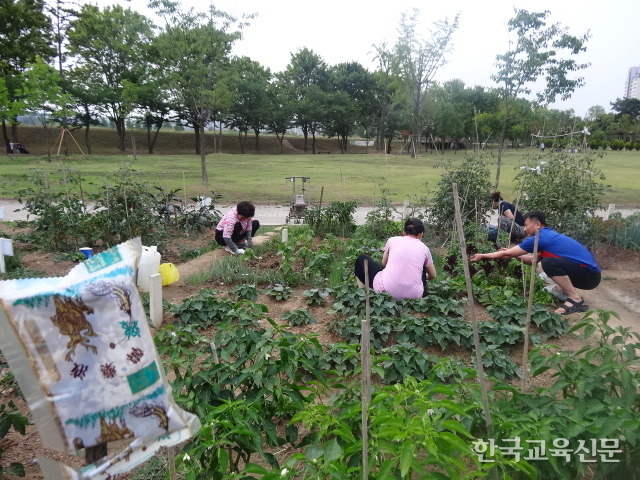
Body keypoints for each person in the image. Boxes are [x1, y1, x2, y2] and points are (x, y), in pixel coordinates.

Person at [470, 210, 601, 315]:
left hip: (588, 276)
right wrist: (516, 256)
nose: (524, 229)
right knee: (547, 264)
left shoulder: (541, 237)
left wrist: (483, 255)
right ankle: (566, 291)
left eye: (526, 225)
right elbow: (533, 261)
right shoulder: (547, 236)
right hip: (589, 275)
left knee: (549, 263)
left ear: (537, 224)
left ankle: (574, 299)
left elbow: (507, 254)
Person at [354, 218, 437, 300]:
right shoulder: (424, 249)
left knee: (362, 259)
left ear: (404, 232)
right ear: (421, 234)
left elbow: (384, 264)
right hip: (413, 296)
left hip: (385, 291)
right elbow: (433, 275)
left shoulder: (392, 240)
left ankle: (363, 295)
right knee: (422, 267)